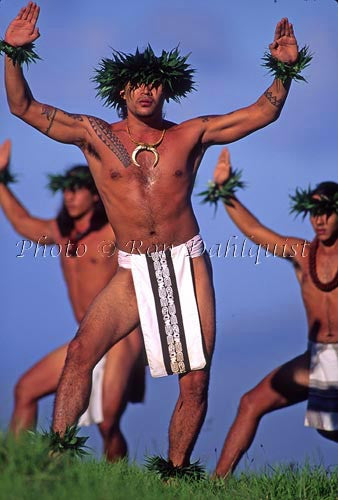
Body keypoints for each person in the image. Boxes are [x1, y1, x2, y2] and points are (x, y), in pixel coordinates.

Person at [4, 2, 302, 469]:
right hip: (132, 267)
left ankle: (174, 476)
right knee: (81, 352)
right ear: (121, 90)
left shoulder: (191, 134)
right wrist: (13, 54)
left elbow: (262, 113)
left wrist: (284, 72)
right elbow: (21, 106)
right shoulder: (92, 134)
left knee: (195, 381)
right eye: (137, 83)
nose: (145, 89)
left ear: (166, 89)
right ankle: (54, 461)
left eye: (154, 82)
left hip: (186, 261)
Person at [0, 139, 145, 462]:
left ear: (95, 195)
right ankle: (16, 468)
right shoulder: (62, 234)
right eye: (66, 190)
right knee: (25, 390)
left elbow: (135, 209)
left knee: (108, 422)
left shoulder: (112, 233)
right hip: (85, 337)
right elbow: (23, 224)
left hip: (123, 337)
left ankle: (117, 482)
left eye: (77, 189)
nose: (69, 196)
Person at [211, 148, 337, 478]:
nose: (320, 220)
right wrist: (225, 191)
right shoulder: (301, 253)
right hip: (316, 358)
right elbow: (255, 230)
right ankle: (215, 485)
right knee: (251, 403)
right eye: (314, 212)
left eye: (327, 212)